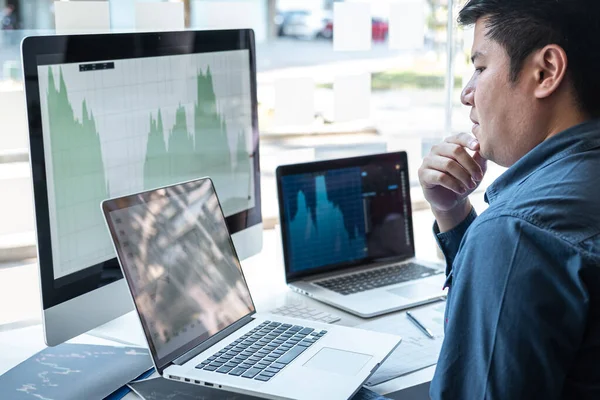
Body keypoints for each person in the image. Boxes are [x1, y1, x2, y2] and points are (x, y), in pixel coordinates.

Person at [418, 0, 600, 398]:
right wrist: (451, 211)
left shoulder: (517, 232)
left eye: (481, 67)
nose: (467, 93)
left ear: (545, 71)